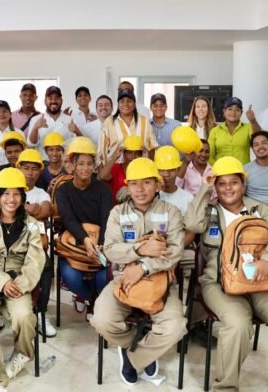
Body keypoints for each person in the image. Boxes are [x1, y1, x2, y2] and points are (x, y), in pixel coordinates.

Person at [184, 156, 268, 392]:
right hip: (219, 284)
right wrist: (204, 189)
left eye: (234, 182)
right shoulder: (208, 211)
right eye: (221, 183)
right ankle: (226, 387)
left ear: (243, 184)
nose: (228, 188)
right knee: (238, 325)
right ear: (215, 186)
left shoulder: (259, 210)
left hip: (260, 281)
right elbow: (192, 225)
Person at [91, 158, 187, 385]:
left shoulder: (171, 212)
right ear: (127, 186)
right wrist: (140, 249)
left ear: (157, 184)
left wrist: (144, 267)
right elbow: (111, 250)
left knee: (176, 327)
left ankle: (134, 356)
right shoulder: (117, 213)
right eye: (134, 183)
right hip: (124, 279)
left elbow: (175, 252)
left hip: (161, 281)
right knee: (102, 320)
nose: (140, 189)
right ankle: (132, 344)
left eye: (146, 182)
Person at [0, 167, 46, 392]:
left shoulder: (32, 225)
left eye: (16, 194)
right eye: (6, 194)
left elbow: (35, 262)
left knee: (24, 316)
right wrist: (2, 282)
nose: (11, 199)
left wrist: (19, 284)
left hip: (19, 282)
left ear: (23, 197)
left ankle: (23, 353)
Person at [54, 137, 112, 319]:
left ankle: (93, 299)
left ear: (95, 166)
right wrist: (85, 240)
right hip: (74, 244)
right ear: (72, 165)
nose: (85, 168)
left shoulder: (103, 189)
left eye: (89, 164)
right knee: (71, 277)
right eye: (81, 163)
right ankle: (91, 298)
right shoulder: (63, 190)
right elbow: (68, 219)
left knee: (104, 278)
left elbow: (106, 218)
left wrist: (101, 244)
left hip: (100, 243)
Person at [16, 149, 56, 337]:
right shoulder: (8, 187)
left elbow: (45, 212)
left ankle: (40, 313)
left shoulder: (41, 193)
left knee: (46, 267)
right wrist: (26, 208)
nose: (30, 173)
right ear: (19, 168)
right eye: (26, 168)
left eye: (34, 169)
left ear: (40, 171)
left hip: (36, 244)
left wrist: (18, 210)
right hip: (10, 244)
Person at [97, 88, 158, 168]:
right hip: (116, 169)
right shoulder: (109, 122)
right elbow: (101, 152)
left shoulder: (144, 121)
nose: (125, 104)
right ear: (118, 104)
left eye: (129, 101)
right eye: (122, 101)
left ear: (134, 104)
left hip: (141, 168)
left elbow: (152, 147)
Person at [207, 97, 260, 164]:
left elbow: (259, 137)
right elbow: (210, 155)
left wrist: (253, 121)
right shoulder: (215, 131)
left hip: (243, 172)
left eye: (237, 110)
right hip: (221, 172)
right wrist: (217, 170)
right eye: (230, 109)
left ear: (241, 112)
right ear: (224, 111)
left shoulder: (248, 127)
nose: (233, 112)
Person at [27, 86, 76, 156]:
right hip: (43, 163)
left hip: (64, 164)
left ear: (61, 100)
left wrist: (76, 130)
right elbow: (31, 144)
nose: (53, 101)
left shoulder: (69, 119)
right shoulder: (36, 119)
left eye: (56, 98)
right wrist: (35, 128)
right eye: (50, 98)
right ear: (45, 101)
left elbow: (74, 144)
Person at [97, 135, 144, 204]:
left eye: (137, 153)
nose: (133, 157)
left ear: (141, 155)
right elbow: (102, 176)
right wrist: (115, 157)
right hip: (117, 209)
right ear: (124, 154)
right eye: (129, 153)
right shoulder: (117, 168)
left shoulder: (144, 170)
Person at [154, 145, 194, 215]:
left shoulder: (188, 199)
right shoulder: (150, 198)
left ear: (178, 170)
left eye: (171, 170)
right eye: (162, 170)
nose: (166, 174)